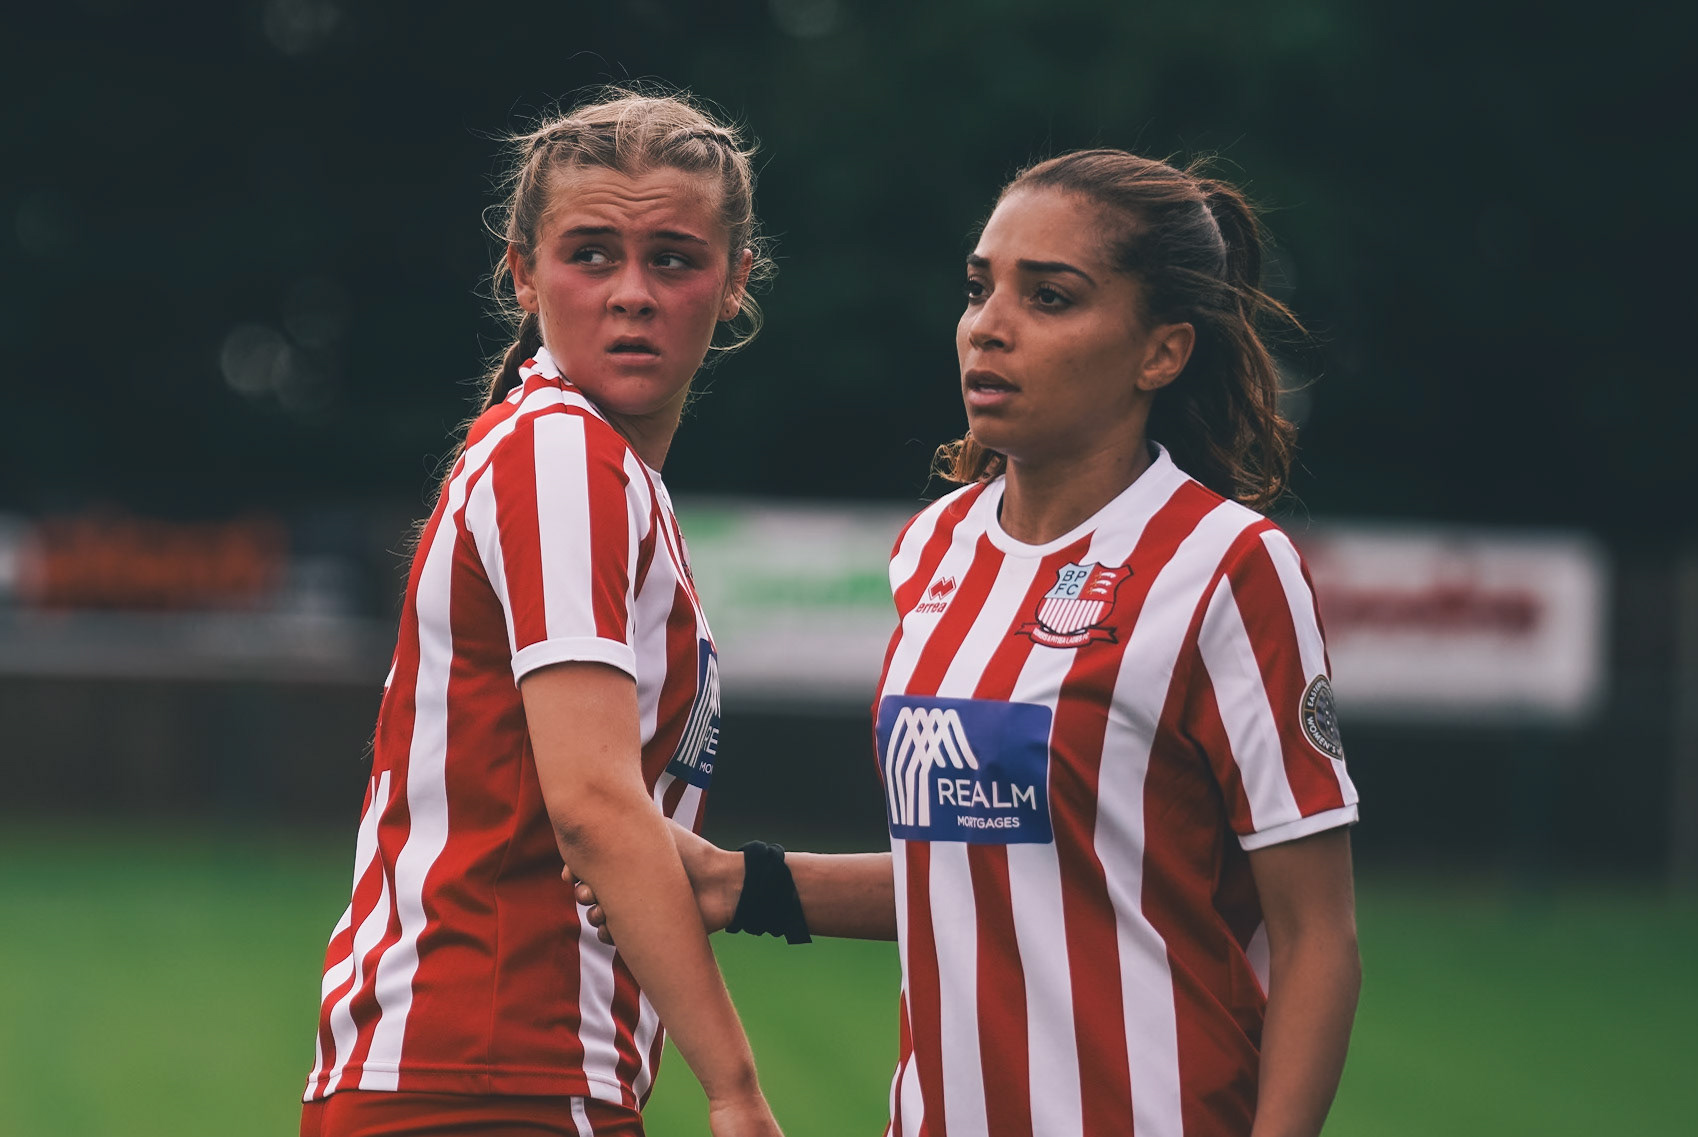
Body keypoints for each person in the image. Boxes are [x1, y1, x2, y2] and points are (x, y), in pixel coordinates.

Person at [581, 149, 1362, 1137]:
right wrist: (739, 882)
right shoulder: (934, 549)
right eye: (978, 287)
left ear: (1161, 354)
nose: (989, 325)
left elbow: (1317, 938)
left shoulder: (1227, 566)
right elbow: (980, 874)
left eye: (1049, 297)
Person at [301, 89, 785, 1137]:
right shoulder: (561, 456)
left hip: (468, 1074)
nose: (632, 294)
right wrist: (736, 1089)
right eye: (591, 254)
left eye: (674, 259)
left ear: (735, 280)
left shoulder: (579, 459)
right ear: (521, 272)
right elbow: (594, 808)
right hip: (492, 1069)